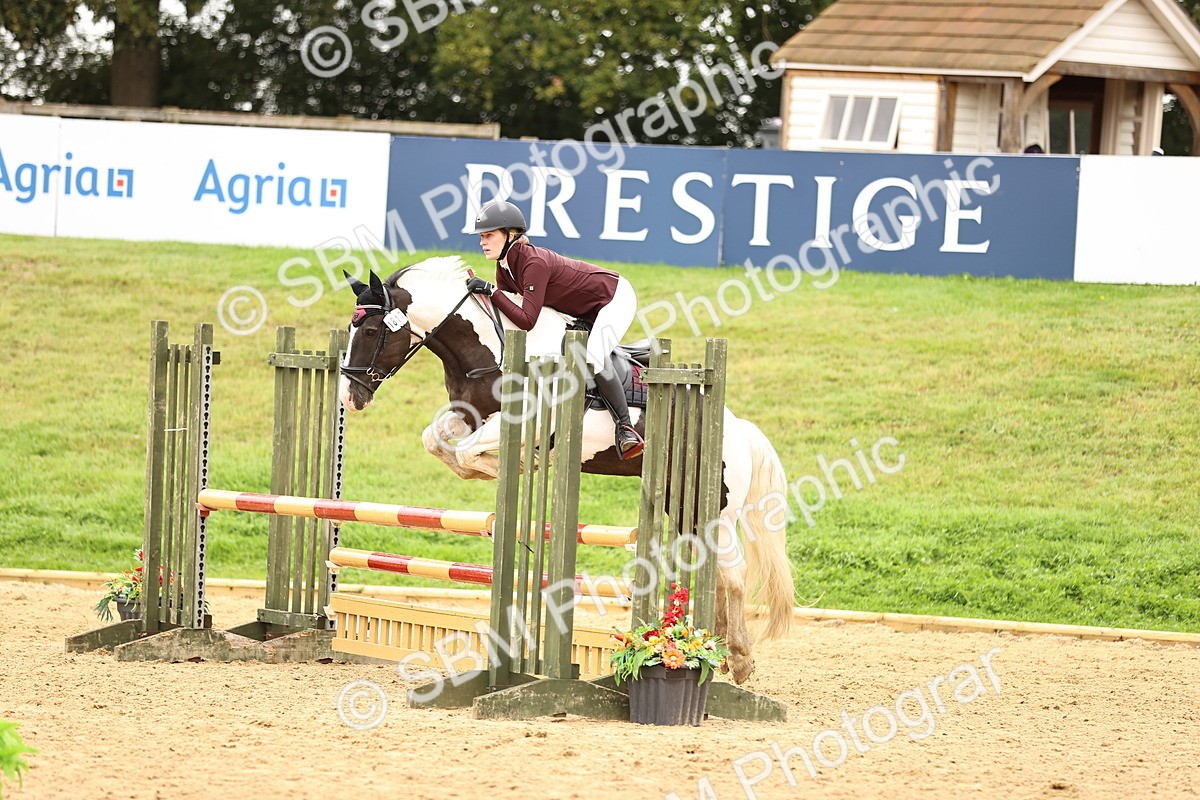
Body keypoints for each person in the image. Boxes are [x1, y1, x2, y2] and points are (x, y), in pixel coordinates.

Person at [465, 200, 645, 459]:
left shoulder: (533, 262)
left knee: (594, 356)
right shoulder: (505, 267)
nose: (483, 242)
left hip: (613, 299)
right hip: (580, 310)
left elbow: (527, 320)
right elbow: (509, 313)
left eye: (489, 235)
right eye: (482, 236)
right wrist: (482, 297)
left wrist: (491, 291)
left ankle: (626, 429)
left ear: (511, 235)